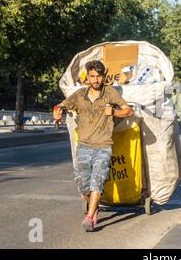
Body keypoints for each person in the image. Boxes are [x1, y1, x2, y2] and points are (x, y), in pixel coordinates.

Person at [54, 60, 134, 232]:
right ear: (87, 78)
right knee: (83, 183)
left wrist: (113, 112)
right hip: (83, 145)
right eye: (92, 76)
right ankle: (94, 206)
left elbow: (128, 111)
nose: (96, 80)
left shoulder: (110, 93)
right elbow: (61, 105)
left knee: (97, 180)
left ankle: (90, 217)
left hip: (103, 145)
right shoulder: (79, 95)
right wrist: (57, 111)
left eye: (99, 76)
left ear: (103, 76)